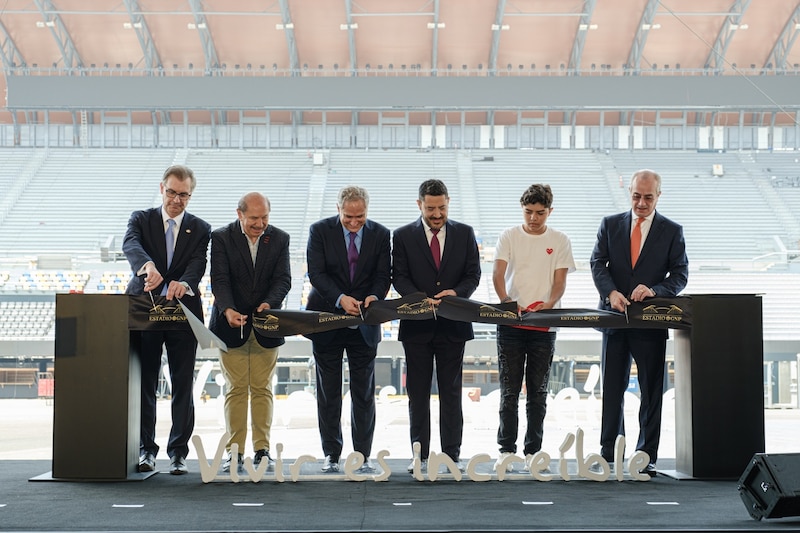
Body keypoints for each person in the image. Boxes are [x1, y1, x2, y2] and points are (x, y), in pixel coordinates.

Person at [590, 169, 688, 476]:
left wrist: (655, 290)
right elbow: (597, 263)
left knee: (650, 391)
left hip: (650, 323)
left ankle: (646, 455)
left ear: (659, 195)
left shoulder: (672, 230)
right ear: (629, 192)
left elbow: (680, 274)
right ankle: (610, 453)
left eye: (648, 197)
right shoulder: (609, 224)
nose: (641, 203)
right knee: (612, 389)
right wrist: (611, 292)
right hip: (615, 319)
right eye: (636, 196)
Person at [123, 164, 211, 475]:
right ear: (162, 188)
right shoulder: (141, 219)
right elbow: (130, 244)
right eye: (172, 192)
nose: (176, 199)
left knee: (183, 384)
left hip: (183, 314)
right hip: (144, 309)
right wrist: (147, 265)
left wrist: (184, 284)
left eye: (183, 195)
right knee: (146, 381)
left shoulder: (201, 228)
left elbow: (198, 264)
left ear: (191, 195)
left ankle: (178, 452)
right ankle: (147, 449)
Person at [392, 179, 481, 473]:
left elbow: (473, 275)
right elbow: (399, 276)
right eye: (430, 208)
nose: (437, 213)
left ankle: (451, 455)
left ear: (448, 202)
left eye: (441, 207)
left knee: (451, 392)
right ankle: (420, 455)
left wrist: (455, 294)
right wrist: (419, 299)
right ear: (419, 205)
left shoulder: (465, 233)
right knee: (417, 394)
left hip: (453, 324)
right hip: (416, 325)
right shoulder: (402, 236)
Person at [305, 185, 391, 473]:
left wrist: (374, 297)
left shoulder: (381, 234)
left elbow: (382, 275)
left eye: (360, 217)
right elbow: (316, 273)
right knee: (328, 391)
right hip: (327, 319)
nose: (354, 223)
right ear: (338, 209)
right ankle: (331, 454)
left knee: (363, 393)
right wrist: (341, 299)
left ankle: (362, 456)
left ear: (367, 210)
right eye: (348, 217)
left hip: (365, 322)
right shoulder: (319, 231)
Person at [492, 184, 575, 472]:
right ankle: (506, 449)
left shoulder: (560, 240)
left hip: (544, 324)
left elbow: (560, 280)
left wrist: (550, 304)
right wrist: (505, 302)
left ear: (550, 211)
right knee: (509, 390)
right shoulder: (509, 236)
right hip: (511, 322)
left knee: (537, 391)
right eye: (528, 212)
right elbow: (498, 274)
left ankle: (533, 450)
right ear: (522, 209)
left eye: (540, 213)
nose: (533, 218)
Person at [209, 192, 291, 473]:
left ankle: (262, 449)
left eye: (265, 217)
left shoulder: (280, 238)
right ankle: (234, 452)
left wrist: (270, 303)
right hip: (229, 324)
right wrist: (227, 309)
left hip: (266, 325)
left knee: (261, 387)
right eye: (254, 218)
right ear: (239, 214)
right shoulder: (220, 238)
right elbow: (219, 279)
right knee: (236, 388)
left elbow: (283, 279)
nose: (260, 224)